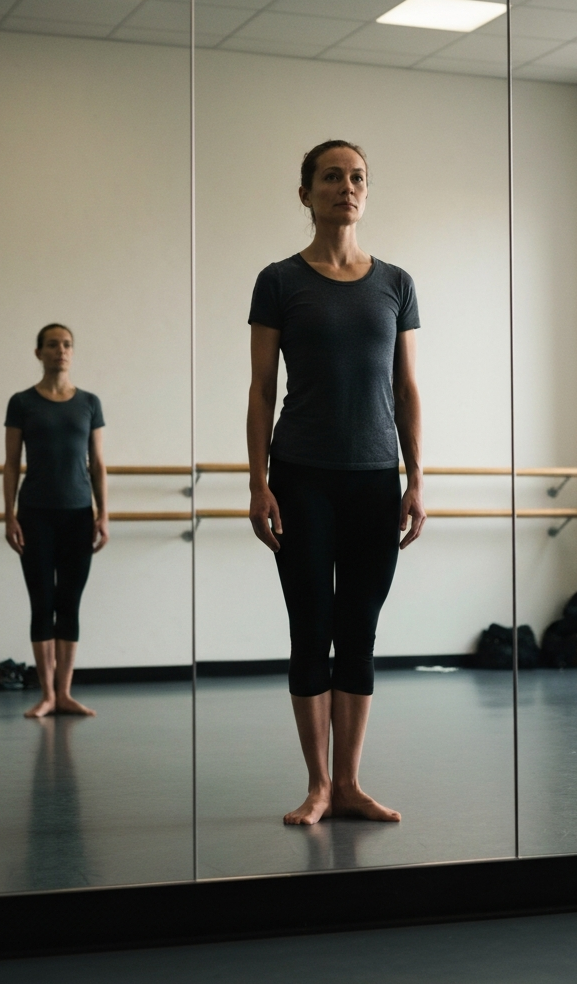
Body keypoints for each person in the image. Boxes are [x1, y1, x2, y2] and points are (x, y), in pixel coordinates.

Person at [246, 140, 426, 826]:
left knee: (359, 631)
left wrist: (416, 480)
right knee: (310, 627)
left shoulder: (396, 283)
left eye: (356, 178)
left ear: (364, 193)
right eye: (331, 177)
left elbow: (405, 389)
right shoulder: (280, 280)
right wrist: (258, 482)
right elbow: (262, 389)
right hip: (302, 477)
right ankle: (317, 785)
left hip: (376, 477)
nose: (345, 187)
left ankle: (349, 783)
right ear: (306, 193)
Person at [4, 324, 109, 718]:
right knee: (41, 602)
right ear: (39, 353)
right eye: (52, 345)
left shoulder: (89, 402)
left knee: (69, 603)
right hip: (34, 514)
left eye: (66, 345)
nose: (60, 350)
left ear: (72, 351)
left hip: (79, 514)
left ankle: (64, 693)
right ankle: (46, 694)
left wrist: (104, 514)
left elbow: (97, 463)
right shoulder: (21, 402)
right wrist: (9, 515)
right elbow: (12, 463)